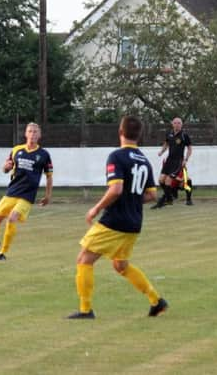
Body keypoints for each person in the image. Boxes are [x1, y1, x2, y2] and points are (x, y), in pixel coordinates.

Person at [68, 115, 168, 319]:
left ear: (120, 132)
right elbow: (151, 195)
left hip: (114, 220)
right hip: (134, 222)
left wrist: (95, 209)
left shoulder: (117, 156)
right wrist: (132, 200)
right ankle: (156, 301)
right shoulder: (144, 161)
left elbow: (116, 189)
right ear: (138, 135)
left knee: (84, 259)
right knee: (120, 265)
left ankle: (85, 310)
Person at [0, 122, 53, 261]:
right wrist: (6, 167)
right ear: (26, 134)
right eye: (30, 131)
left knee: (12, 218)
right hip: (12, 192)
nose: (32, 134)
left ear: (39, 135)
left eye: (35, 132)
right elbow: (5, 169)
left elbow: (49, 176)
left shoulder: (44, 154)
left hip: (27, 195)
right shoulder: (16, 150)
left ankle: (2, 253)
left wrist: (48, 196)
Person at [151, 117, 192, 209]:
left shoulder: (184, 135)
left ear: (181, 125)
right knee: (161, 180)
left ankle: (165, 201)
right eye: (175, 123)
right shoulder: (169, 134)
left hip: (178, 161)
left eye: (179, 123)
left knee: (168, 181)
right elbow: (166, 144)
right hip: (169, 160)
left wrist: (186, 159)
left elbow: (189, 148)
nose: (177, 124)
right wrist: (161, 151)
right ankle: (169, 198)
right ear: (172, 124)